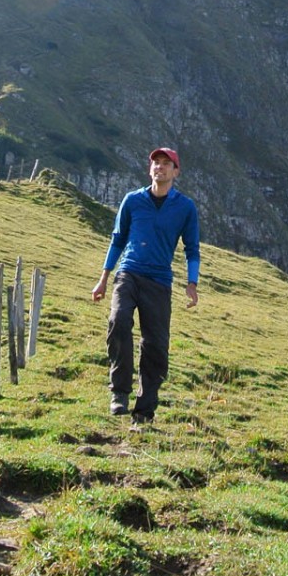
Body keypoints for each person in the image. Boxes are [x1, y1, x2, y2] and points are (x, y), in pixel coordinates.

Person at [92, 146, 200, 424]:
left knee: (155, 346)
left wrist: (192, 283)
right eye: (156, 163)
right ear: (149, 168)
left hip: (159, 281)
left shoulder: (185, 207)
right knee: (118, 321)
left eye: (166, 164)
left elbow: (192, 249)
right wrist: (103, 279)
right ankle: (119, 393)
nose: (160, 167)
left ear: (176, 172)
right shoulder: (132, 200)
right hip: (128, 273)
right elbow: (117, 239)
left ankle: (145, 409)